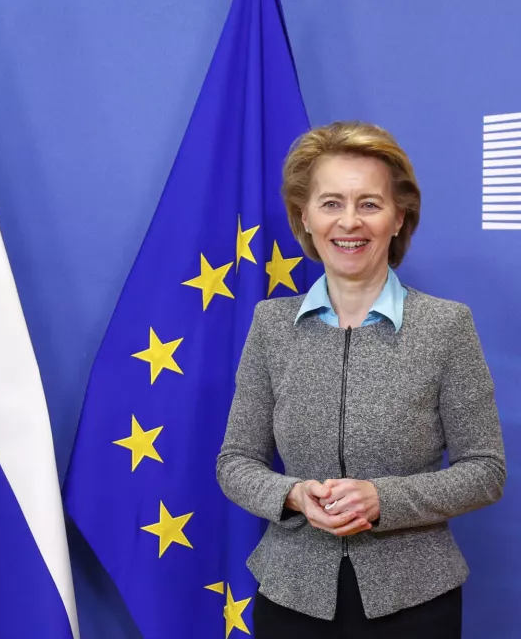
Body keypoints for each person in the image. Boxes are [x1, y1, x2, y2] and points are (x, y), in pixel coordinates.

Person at [216, 121, 506, 638]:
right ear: (304, 217)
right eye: (331, 203)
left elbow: (485, 470)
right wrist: (293, 494)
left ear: (399, 218)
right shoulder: (271, 325)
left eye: (369, 203)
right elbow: (235, 462)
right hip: (290, 596)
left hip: (417, 601)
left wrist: (383, 500)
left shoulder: (446, 326)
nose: (349, 222)